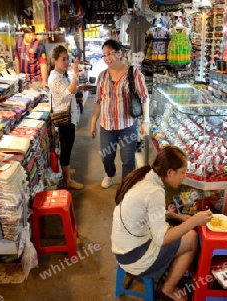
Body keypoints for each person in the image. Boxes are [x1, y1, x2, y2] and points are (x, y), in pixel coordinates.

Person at [111, 146, 212, 301]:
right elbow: (162, 239)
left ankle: (169, 271)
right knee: (191, 238)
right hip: (133, 256)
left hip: (122, 248)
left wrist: (176, 217)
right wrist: (193, 221)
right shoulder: (155, 191)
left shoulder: (146, 175)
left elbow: (149, 212)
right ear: (170, 172)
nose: (184, 177)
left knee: (175, 225)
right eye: (183, 172)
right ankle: (169, 289)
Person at [90, 39, 150, 188]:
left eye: (109, 54)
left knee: (128, 159)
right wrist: (93, 122)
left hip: (127, 125)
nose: (106, 58)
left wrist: (145, 121)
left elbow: (144, 98)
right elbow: (97, 101)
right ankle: (109, 174)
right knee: (106, 157)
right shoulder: (102, 76)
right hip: (106, 125)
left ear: (119, 53)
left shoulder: (134, 74)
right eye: (104, 55)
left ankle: (126, 184)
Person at [48, 45, 86, 190]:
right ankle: (67, 180)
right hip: (64, 119)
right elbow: (69, 93)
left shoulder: (61, 75)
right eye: (63, 59)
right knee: (66, 149)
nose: (66, 62)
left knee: (67, 147)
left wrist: (77, 84)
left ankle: (66, 169)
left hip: (69, 116)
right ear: (54, 60)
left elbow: (73, 89)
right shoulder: (54, 78)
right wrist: (75, 73)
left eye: (67, 59)